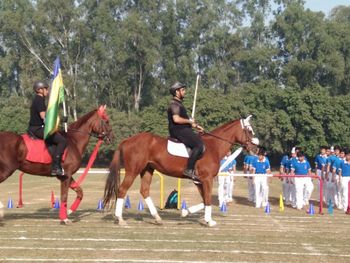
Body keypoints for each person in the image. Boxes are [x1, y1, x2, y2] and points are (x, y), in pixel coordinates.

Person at [28, 80, 67, 177]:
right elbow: (44, 117)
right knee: (62, 141)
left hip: (37, 128)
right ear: (40, 90)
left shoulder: (38, 99)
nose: (47, 91)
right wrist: (58, 122)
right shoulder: (39, 100)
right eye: (46, 89)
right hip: (37, 129)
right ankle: (56, 166)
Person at [167, 82, 204, 182]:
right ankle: (189, 169)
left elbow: (187, 121)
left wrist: (196, 126)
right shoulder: (174, 104)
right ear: (177, 92)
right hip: (177, 130)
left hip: (183, 129)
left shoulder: (180, 104)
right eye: (182, 90)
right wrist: (189, 121)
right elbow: (176, 119)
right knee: (199, 145)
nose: (184, 92)